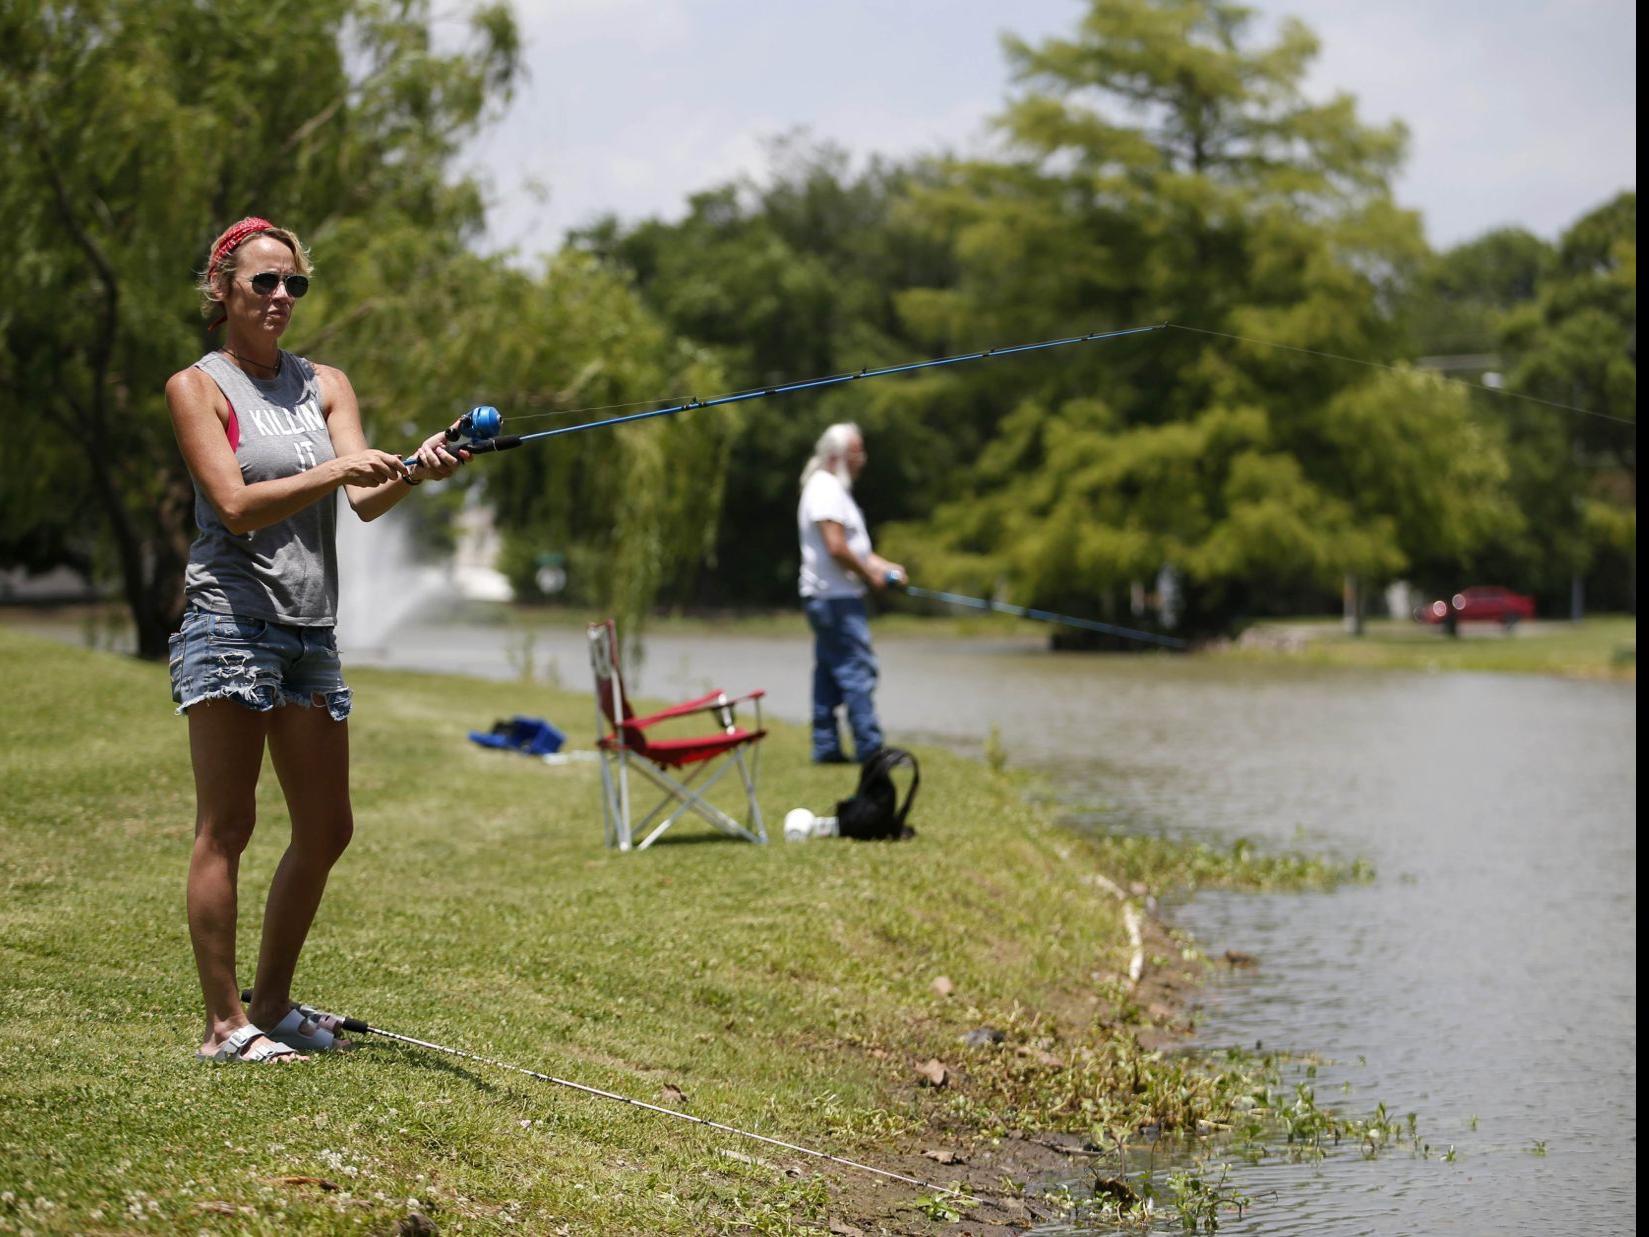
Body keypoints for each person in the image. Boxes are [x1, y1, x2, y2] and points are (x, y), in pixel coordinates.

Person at [166, 216, 465, 1062]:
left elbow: (365, 499)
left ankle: (274, 1002)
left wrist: (415, 468)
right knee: (227, 825)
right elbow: (233, 503)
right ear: (221, 290)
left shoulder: (323, 382)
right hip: (228, 620)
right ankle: (226, 1025)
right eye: (263, 283)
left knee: (328, 825)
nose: (281, 298)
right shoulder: (199, 386)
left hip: (307, 627)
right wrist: (340, 469)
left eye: (294, 284)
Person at [797, 423, 904, 765]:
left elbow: (856, 548)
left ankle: (826, 748)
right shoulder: (826, 489)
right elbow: (836, 547)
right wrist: (871, 575)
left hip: (831, 596)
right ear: (836, 456)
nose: (863, 459)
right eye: (857, 452)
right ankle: (871, 751)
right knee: (858, 671)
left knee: (830, 674)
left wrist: (887, 569)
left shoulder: (833, 489)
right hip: (835, 599)